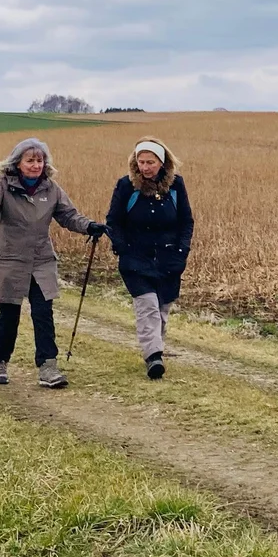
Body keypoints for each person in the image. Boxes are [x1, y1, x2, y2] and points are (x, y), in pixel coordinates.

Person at [0, 138, 107, 388]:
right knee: (9, 315)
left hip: (41, 259)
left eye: (40, 160)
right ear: (18, 163)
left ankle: (48, 366)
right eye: (30, 160)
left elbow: (68, 215)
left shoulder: (51, 188)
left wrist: (89, 226)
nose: (36, 165)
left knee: (43, 313)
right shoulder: (3, 185)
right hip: (10, 259)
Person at [105, 139, 194, 379]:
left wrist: (181, 252)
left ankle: (156, 351)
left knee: (162, 307)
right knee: (148, 307)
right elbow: (113, 221)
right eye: (140, 162)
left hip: (169, 259)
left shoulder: (176, 186)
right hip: (136, 259)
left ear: (161, 162)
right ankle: (153, 357)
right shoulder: (126, 186)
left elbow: (186, 221)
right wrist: (122, 249)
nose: (145, 167)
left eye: (150, 162)